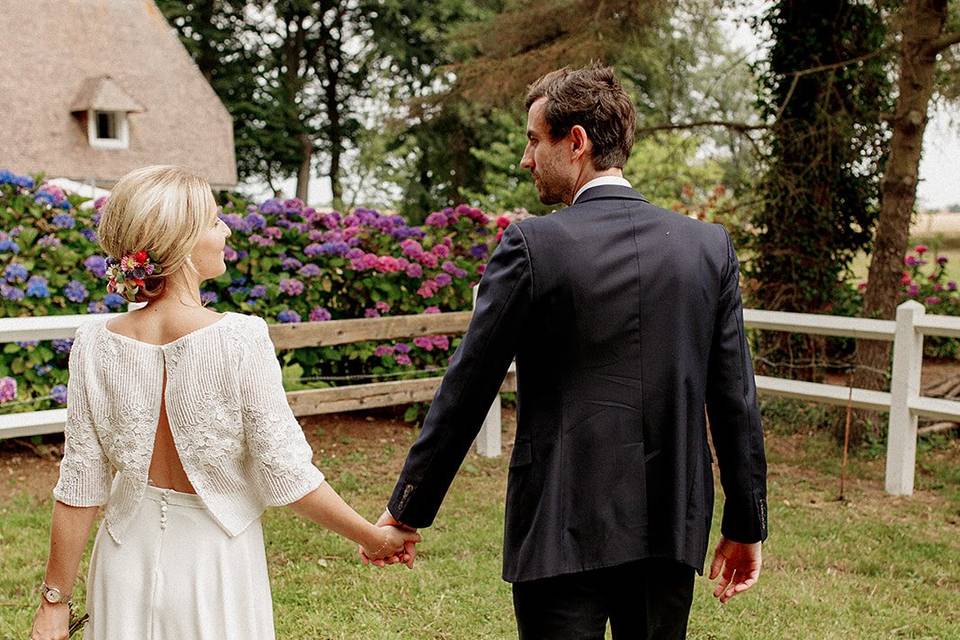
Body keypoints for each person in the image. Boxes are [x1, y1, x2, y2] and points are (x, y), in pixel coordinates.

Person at [375, 65, 768, 639]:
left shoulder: (533, 244)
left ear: (576, 141)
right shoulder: (706, 248)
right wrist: (745, 522)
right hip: (669, 525)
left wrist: (407, 508)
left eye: (534, 139)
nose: (525, 158)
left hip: (559, 524)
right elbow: (735, 398)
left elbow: (468, 386)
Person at [29, 165, 419, 640]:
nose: (227, 230)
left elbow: (80, 485)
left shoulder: (93, 342)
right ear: (181, 242)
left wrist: (54, 602)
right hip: (214, 563)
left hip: (122, 560)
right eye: (215, 221)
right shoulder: (240, 338)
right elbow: (287, 475)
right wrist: (374, 537)